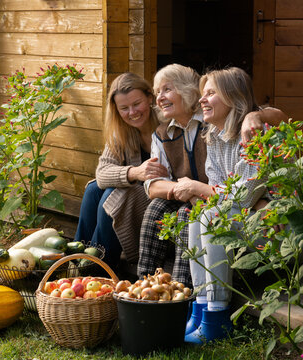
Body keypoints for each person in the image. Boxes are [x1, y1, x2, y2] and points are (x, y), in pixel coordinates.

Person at [137, 64, 287, 286]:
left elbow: (279, 117)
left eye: (166, 90)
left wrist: (255, 114)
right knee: (157, 209)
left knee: (192, 215)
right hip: (211, 198)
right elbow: (152, 186)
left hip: (230, 204)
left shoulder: (213, 122)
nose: (159, 98)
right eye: (157, 92)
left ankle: (185, 290)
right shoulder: (170, 132)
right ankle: (144, 284)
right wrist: (187, 189)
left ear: (185, 90)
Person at [181, 67, 268, 343]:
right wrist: (210, 194)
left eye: (211, 93)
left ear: (234, 97)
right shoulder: (216, 138)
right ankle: (202, 308)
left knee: (211, 216)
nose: (202, 100)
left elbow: (242, 196)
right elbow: (220, 195)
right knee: (199, 215)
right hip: (246, 218)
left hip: (278, 225)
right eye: (202, 94)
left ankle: (218, 315)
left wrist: (199, 188)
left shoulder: (255, 134)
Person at [74, 72, 169, 268]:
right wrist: (135, 172)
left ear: (150, 98)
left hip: (160, 201)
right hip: (136, 196)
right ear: (116, 109)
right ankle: (74, 258)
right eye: (124, 108)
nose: (132, 112)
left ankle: (100, 266)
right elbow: (101, 174)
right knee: (94, 190)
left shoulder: (165, 122)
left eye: (137, 104)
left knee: (113, 194)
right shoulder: (122, 130)